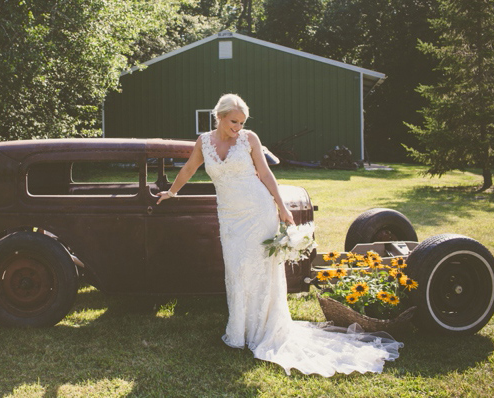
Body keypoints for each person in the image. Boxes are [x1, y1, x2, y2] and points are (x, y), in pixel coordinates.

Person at [157, 94, 402, 376]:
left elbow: (264, 173)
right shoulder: (204, 142)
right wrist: (172, 191)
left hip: (258, 211)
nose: (238, 127)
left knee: (260, 269)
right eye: (233, 121)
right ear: (220, 117)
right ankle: (239, 330)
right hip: (230, 217)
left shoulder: (249, 139)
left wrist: (281, 206)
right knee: (236, 269)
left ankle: (264, 329)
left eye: (242, 122)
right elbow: (189, 168)